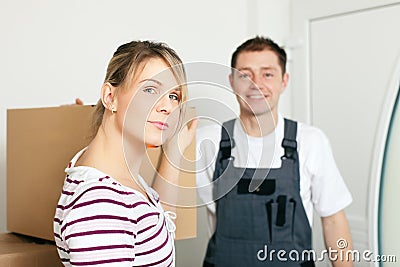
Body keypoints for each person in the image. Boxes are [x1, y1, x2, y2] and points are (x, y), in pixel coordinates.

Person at [196, 36, 353, 267]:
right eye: (245, 75)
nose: (256, 84)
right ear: (231, 81)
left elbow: (333, 222)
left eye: (267, 74)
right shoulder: (207, 141)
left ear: (284, 81)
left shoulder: (310, 141)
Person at [54, 40, 196, 267]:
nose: (168, 107)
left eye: (174, 96)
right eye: (150, 90)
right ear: (110, 97)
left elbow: (159, 225)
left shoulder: (115, 176)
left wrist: (174, 153)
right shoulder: (101, 203)